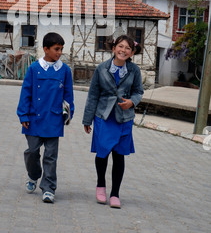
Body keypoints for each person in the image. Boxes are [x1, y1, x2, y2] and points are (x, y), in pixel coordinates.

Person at [82, 35, 143, 209]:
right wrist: (87, 119)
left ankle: (115, 193)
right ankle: (100, 185)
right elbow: (93, 95)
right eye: (121, 46)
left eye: (128, 48)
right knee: (102, 153)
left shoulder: (134, 70)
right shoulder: (101, 69)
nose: (123, 50)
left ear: (131, 52)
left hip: (124, 118)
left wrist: (132, 102)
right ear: (114, 48)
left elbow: (139, 92)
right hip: (104, 117)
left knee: (119, 155)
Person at [17, 32, 74, 204]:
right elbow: (25, 93)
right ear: (45, 49)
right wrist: (23, 114)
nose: (59, 52)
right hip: (33, 119)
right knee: (32, 152)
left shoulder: (65, 70)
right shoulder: (34, 68)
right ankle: (33, 175)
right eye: (56, 49)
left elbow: (68, 96)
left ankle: (49, 188)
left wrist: (68, 114)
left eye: (61, 49)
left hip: (54, 119)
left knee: (50, 156)